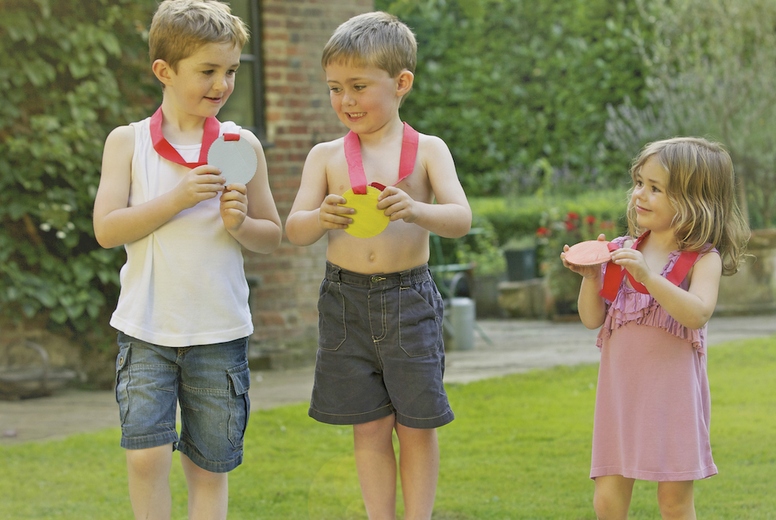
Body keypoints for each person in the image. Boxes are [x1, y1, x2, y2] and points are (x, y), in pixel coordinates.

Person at [92, 1, 282, 518]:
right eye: (208, 71)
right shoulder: (127, 143)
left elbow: (271, 235)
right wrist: (177, 198)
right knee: (146, 456)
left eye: (231, 72)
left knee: (209, 465)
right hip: (147, 329)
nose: (222, 84)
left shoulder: (241, 145)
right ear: (164, 71)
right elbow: (107, 230)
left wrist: (241, 224)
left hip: (219, 333)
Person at [285, 11, 471, 520]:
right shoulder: (325, 156)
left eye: (359, 86)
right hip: (345, 303)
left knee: (417, 424)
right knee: (368, 426)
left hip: (408, 300)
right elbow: (294, 229)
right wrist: (320, 216)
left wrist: (415, 208)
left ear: (401, 83)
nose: (345, 100)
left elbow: (460, 218)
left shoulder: (428, 151)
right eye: (335, 88)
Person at [561, 137, 750, 520]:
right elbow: (591, 319)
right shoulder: (620, 252)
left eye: (655, 188)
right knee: (607, 499)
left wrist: (649, 277)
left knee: (674, 504)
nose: (639, 195)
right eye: (638, 183)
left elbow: (697, 313)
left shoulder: (702, 259)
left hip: (673, 400)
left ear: (692, 200)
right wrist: (589, 276)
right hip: (620, 398)